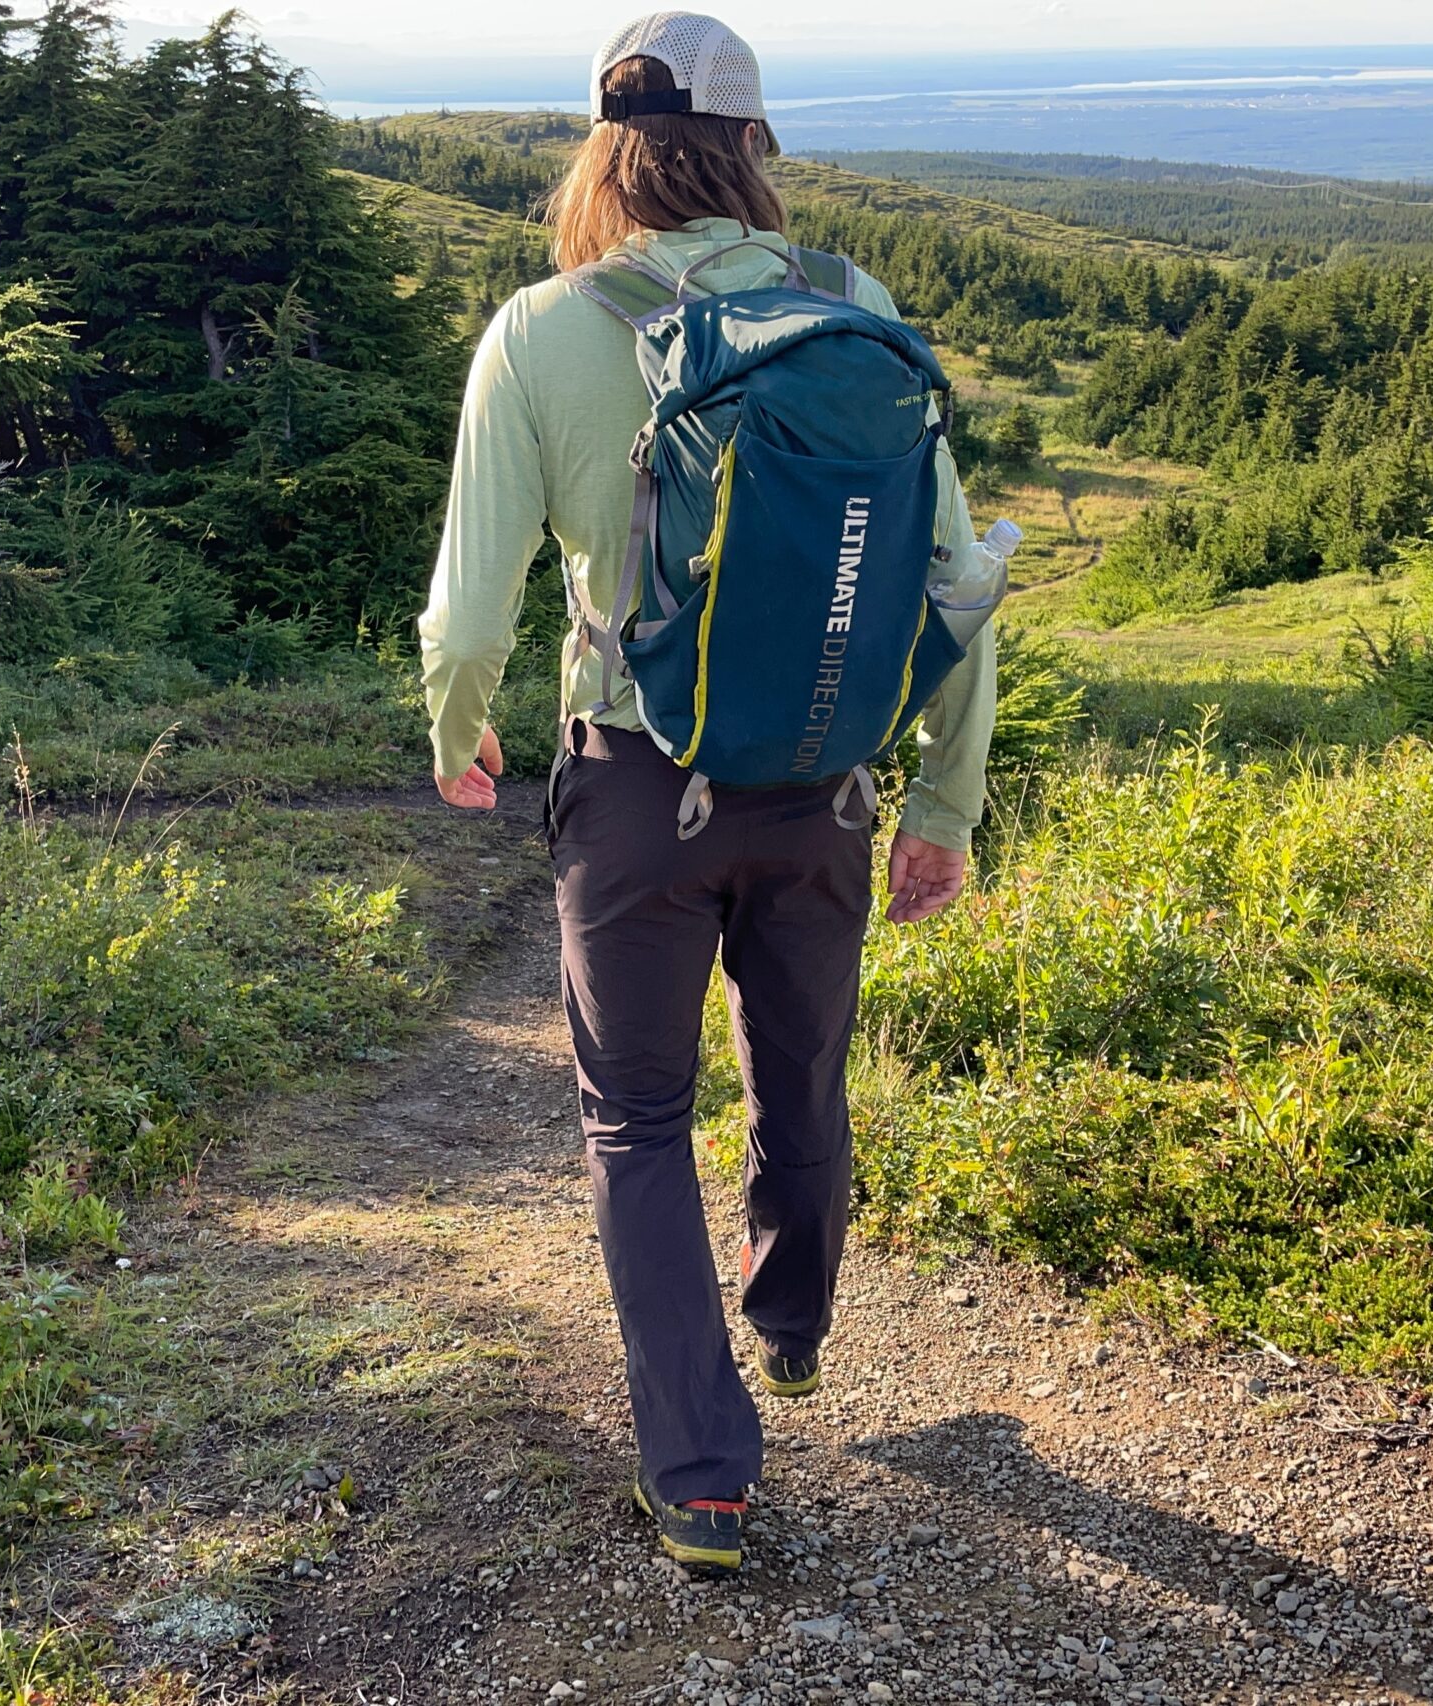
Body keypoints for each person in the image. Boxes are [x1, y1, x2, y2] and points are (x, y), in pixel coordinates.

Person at [416, 10, 996, 1575]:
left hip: (630, 789)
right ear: (751, 150)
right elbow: (951, 578)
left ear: (605, 153)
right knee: (801, 1064)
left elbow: (470, 618)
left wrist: (459, 730)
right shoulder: (859, 310)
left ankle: (699, 1471)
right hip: (825, 784)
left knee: (636, 1117)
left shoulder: (540, 329)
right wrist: (944, 800)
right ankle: (794, 1317)